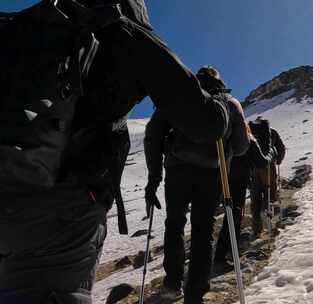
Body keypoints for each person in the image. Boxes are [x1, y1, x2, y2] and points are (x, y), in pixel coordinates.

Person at [0, 1, 228, 303]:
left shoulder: (38, 23)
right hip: (63, 208)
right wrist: (223, 102)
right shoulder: (123, 31)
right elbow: (207, 122)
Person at [144, 66, 249, 303]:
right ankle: (196, 293)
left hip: (177, 169)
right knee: (203, 230)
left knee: (175, 223)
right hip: (213, 173)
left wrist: (154, 176)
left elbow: (153, 136)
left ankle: (172, 284)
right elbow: (242, 146)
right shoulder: (229, 103)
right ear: (219, 81)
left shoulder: (177, 95)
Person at [213, 125, 274, 271]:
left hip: (218, 181)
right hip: (238, 183)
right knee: (233, 218)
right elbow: (262, 162)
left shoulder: (219, 136)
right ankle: (221, 257)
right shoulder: (248, 139)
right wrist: (272, 152)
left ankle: (219, 256)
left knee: (225, 218)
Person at [249, 120, 286, 237]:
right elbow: (281, 148)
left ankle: (257, 230)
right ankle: (271, 224)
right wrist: (278, 160)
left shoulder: (251, 133)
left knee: (255, 199)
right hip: (269, 167)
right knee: (270, 194)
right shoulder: (271, 133)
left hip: (254, 169)